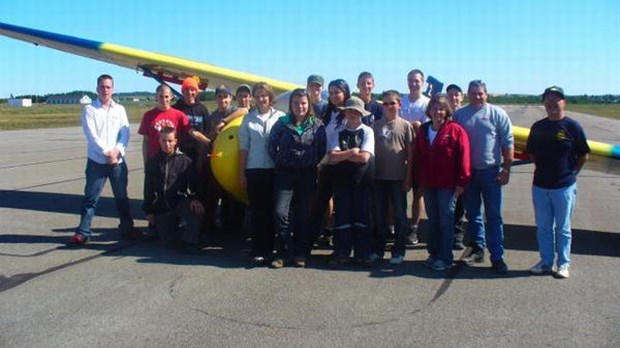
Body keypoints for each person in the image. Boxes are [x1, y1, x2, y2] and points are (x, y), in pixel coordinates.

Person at [527, 86, 589, 279]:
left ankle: (563, 264)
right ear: (544, 103)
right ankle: (546, 262)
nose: (552, 103)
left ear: (564, 102)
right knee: (544, 228)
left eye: (556, 99)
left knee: (563, 228)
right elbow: (532, 153)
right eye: (548, 99)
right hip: (540, 186)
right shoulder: (538, 127)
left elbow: (583, 154)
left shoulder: (573, 126)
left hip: (564, 186)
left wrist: (571, 174)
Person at [69, 74, 138, 245]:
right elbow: (91, 136)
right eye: (102, 87)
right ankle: (83, 232)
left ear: (113, 89)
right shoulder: (89, 110)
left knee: (122, 197)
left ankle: (127, 228)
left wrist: (118, 151)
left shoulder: (120, 109)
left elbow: (125, 132)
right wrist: (107, 153)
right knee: (90, 199)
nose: (105, 90)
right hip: (97, 162)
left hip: (118, 162)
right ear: (97, 89)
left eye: (108, 87)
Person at [454, 80, 514, 274]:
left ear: (486, 94)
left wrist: (506, 170)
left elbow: (507, 143)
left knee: (494, 215)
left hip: (490, 172)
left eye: (480, 93)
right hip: (469, 173)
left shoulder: (497, 114)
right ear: (467, 95)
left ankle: (497, 256)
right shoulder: (459, 115)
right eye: (473, 93)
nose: (477, 96)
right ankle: (477, 249)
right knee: (472, 214)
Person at [268, 88, 326, 268]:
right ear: (290, 105)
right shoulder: (281, 123)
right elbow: (271, 146)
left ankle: (300, 252)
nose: (299, 106)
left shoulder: (317, 124)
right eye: (295, 103)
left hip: (307, 175)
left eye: (303, 103)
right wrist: (282, 161)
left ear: (308, 105)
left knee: (302, 214)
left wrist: (310, 162)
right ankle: (284, 252)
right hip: (285, 174)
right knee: (280, 212)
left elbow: (322, 149)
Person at [413, 95, 470, 271]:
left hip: (448, 185)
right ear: (429, 110)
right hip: (429, 184)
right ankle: (434, 253)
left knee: (446, 221)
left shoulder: (455, 130)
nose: (437, 112)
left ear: (446, 111)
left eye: (441, 109)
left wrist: (462, 182)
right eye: (434, 108)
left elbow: (464, 157)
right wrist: (418, 180)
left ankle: (445, 257)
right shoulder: (423, 130)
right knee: (433, 220)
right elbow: (418, 157)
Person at [238, 82, 285, 266]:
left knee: (277, 211)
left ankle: (277, 249)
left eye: (264, 95)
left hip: (276, 170)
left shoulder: (281, 117)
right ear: (254, 99)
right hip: (255, 170)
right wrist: (242, 173)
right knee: (258, 212)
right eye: (257, 96)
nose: (261, 99)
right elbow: (244, 148)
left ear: (270, 97)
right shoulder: (248, 119)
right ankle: (259, 250)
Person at [327, 96, 375, 267]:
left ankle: (363, 252)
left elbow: (364, 157)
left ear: (361, 113)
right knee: (342, 217)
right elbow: (332, 157)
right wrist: (352, 151)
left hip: (362, 182)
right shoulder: (338, 131)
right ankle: (342, 251)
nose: (353, 114)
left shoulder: (368, 131)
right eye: (350, 110)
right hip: (342, 182)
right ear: (345, 112)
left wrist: (344, 155)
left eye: (356, 111)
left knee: (362, 217)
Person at [369, 90, 413, 264]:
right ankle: (378, 249)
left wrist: (409, 177)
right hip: (378, 177)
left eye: (392, 103)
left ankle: (399, 250)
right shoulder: (376, 125)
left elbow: (411, 155)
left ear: (399, 105)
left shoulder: (405, 126)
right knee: (379, 215)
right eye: (385, 104)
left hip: (398, 178)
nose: (389, 107)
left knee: (400, 215)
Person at [309, 79, 352, 249]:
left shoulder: (350, 112)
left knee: (342, 203)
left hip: (343, 163)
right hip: (325, 163)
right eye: (331, 92)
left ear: (345, 93)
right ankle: (317, 235)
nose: (334, 96)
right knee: (321, 201)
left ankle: (341, 243)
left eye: (338, 92)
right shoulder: (327, 113)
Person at [143, 127, 205, 247]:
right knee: (169, 243)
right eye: (164, 140)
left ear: (175, 141)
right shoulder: (152, 163)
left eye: (170, 141)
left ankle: (189, 242)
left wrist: (195, 199)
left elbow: (195, 185)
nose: (167, 144)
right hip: (162, 206)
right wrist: (148, 211)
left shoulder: (185, 161)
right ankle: (158, 227)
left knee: (196, 210)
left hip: (179, 202)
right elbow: (148, 189)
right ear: (159, 141)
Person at [204, 85, 246, 234]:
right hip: (217, 159)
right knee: (213, 193)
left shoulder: (234, 111)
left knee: (231, 195)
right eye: (220, 96)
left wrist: (223, 122)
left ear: (230, 98)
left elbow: (244, 110)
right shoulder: (211, 116)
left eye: (225, 96)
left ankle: (232, 225)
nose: (223, 100)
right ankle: (210, 226)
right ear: (216, 98)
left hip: (233, 159)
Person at [400, 69, 430, 245]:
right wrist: (413, 125)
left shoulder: (427, 103)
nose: (413, 83)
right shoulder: (401, 101)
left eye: (417, 81)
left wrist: (411, 126)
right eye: (410, 80)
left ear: (423, 82)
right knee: (398, 193)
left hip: (419, 154)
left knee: (418, 193)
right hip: (400, 153)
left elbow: (424, 126)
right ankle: (397, 225)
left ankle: (414, 228)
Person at [172, 77, 211, 211]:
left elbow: (207, 129)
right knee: (180, 181)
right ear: (182, 91)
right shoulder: (176, 108)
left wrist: (207, 148)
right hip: (182, 151)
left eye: (193, 89)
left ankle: (199, 210)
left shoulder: (202, 109)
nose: (190, 92)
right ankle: (181, 210)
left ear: (197, 91)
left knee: (198, 181)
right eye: (187, 89)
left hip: (198, 152)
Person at [138, 84, 191, 162]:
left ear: (171, 97)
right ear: (156, 97)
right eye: (161, 96)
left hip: (173, 160)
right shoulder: (148, 115)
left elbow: (191, 133)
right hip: (154, 160)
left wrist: (208, 142)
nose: (164, 100)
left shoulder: (179, 115)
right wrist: (146, 162)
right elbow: (146, 142)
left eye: (166, 96)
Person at [446, 83, 466, 250]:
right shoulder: (443, 115)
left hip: (465, 165)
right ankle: (451, 235)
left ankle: (460, 235)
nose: (453, 97)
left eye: (456, 94)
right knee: (451, 203)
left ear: (462, 97)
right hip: (447, 167)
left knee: (465, 203)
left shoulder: (467, 115)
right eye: (450, 94)